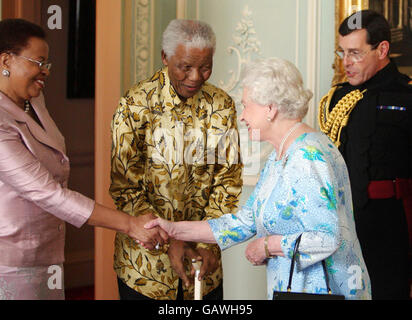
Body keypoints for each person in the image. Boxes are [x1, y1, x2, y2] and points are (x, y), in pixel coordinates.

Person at [145, 57, 372, 300]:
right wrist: (173, 230)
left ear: (270, 109)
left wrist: (267, 246)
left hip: (323, 292)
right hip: (295, 290)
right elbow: (244, 222)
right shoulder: (280, 155)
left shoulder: (307, 159)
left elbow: (326, 238)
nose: (242, 117)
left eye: (246, 106)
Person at [0, 18, 167, 300]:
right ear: (6, 60)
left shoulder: (33, 103)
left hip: (48, 247)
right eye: (38, 62)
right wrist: (130, 224)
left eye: (47, 64)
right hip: (12, 260)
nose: (45, 72)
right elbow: (47, 192)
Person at [109, 19, 242, 300]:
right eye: (186, 67)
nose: (196, 76)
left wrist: (209, 243)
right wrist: (170, 241)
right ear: (165, 58)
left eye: (205, 67)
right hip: (145, 266)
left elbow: (227, 181)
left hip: (203, 263)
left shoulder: (222, 105)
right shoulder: (135, 103)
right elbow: (126, 187)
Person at [318, 10, 412, 300]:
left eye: (355, 53)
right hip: (340, 224)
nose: (346, 62)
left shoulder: (405, 97)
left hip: (390, 227)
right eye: (342, 52)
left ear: (382, 49)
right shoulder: (336, 97)